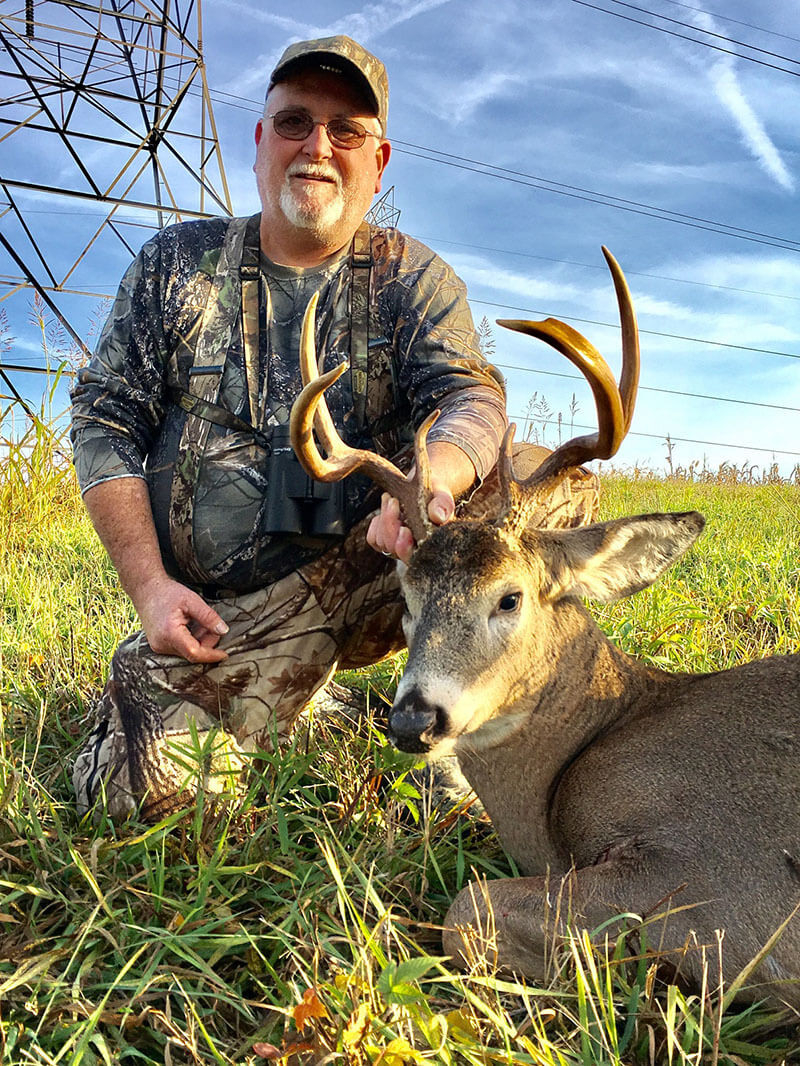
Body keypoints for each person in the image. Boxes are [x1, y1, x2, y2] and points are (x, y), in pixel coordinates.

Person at [70, 35, 598, 821]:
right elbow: (104, 418)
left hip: (392, 569)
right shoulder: (177, 268)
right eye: (293, 123)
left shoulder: (413, 277)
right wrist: (151, 588)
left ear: (376, 162)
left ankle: (475, 734)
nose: (317, 147)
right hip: (233, 616)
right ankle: (268, 696)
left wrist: (433, 482)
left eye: (345, 131)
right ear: (259, 143)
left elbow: (470, 398)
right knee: (149, 802)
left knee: (547, 489)